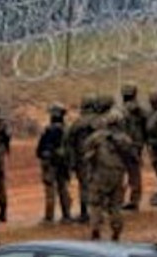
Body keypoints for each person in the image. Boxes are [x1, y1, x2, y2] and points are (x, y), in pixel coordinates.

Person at [83, 111, 136, 241]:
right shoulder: (125, 139)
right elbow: (132, 158)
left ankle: (95, 229)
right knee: (115, 206)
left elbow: (86, 152)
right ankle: (116, 232)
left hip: (99, 174)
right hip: (117, 175)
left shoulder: (95, 137)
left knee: (96, 204)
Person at [35, 103, 72, 223]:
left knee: (50, 190)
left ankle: (49, 217)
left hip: (50, 163)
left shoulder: (48, 130)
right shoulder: (67, 130)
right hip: (63, 163)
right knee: (63, 189)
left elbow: (40, 149)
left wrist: (44, 155)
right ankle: (67, 215)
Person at [65, 95, 99, 223]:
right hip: (99, 158)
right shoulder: (101, 121)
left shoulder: (78, 123)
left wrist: (71, 161)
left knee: (84, 186)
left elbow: (69, 141)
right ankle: (99, 212)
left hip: (82, 158)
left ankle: (85, 213)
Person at [119, 84, 145, 212]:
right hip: (136, 143)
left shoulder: (121, 110)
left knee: (121, 171)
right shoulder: (141, 109)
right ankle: (134, 200)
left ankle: (118, 200)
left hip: (123, 143)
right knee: (135, 173)